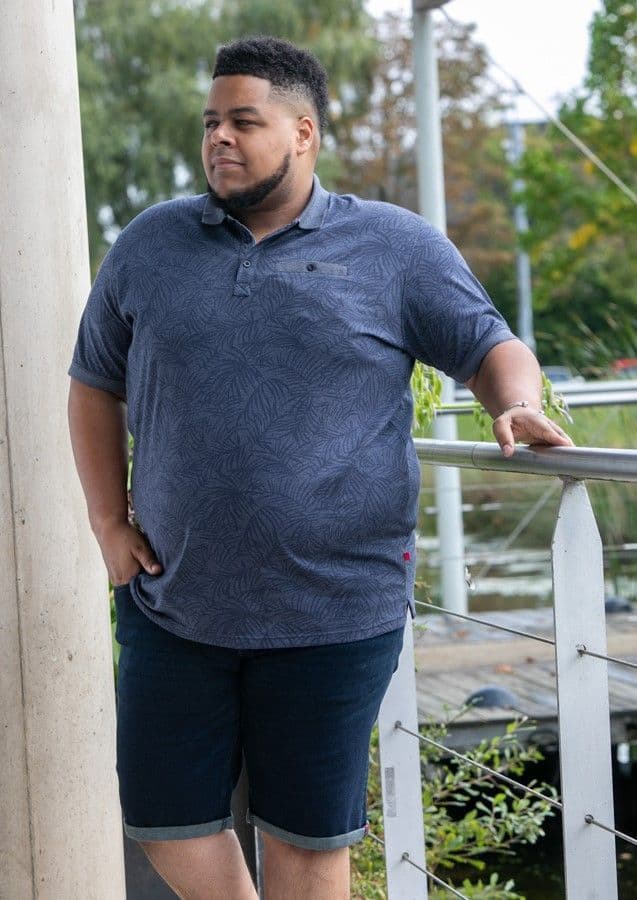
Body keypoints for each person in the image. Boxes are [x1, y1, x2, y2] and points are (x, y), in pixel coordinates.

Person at [68, 35, 573, 900]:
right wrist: (107, 522)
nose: (218, 138)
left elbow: (490, 346)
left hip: (334, 611)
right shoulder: (150, 243)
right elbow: (93, 382)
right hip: (172, 600)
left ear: (303, 133)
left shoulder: (393, 246)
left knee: (307, 842)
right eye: (210, 122)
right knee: (162, 820)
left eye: (243, 121)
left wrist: (513, 401)